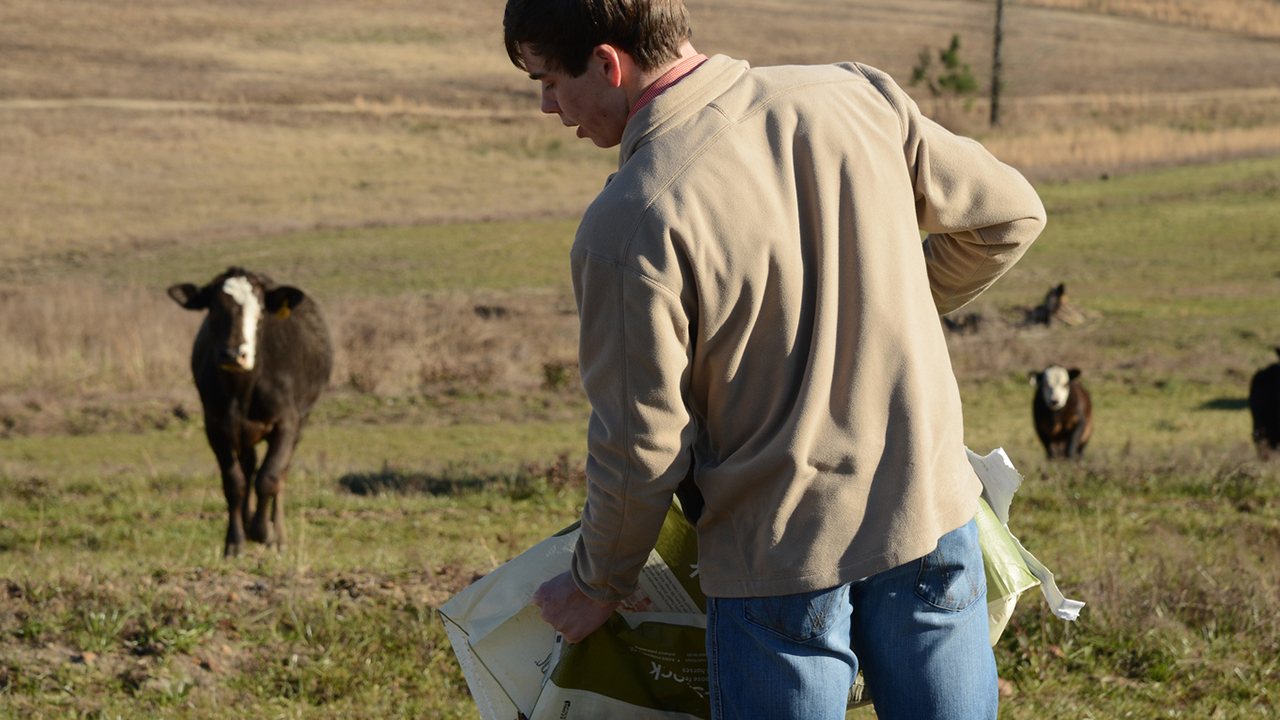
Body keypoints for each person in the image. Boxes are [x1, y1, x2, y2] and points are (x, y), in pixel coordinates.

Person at [503, 1, 1046, 718]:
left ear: (608, 63)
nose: (546, 106)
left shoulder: (629, 222)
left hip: (782, 563)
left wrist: (596, 583)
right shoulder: (855, 94)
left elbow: (641, 448)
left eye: (545, 79)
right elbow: (1009, 214)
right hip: (932, 510)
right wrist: (884, 311)